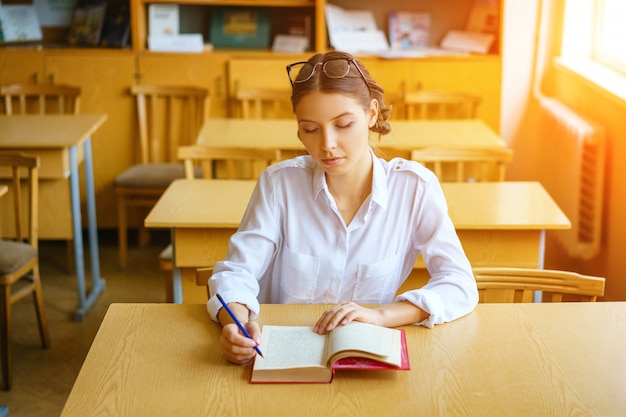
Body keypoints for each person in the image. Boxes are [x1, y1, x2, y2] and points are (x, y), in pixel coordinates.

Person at [208, 51, 478, 364]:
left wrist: (382, 316)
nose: (327, 144)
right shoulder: (279, 184)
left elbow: (459, 284)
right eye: (310, 129)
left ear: (372, 114)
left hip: (363, 358)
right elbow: (237, 272)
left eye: (344, 124)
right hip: (282, 356)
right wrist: (236, 324)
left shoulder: (414, 188)